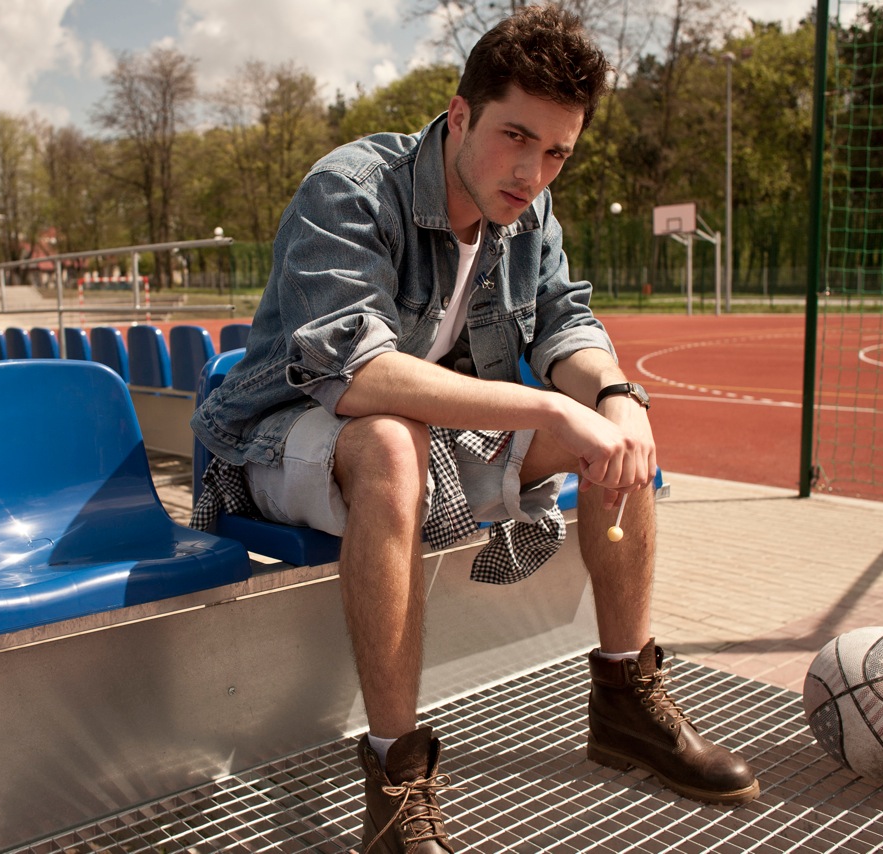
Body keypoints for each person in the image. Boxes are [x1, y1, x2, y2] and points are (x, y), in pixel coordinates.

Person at [191, 5, 758, 850]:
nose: (532, 172)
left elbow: (565, 323)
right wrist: (549, 404)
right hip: (277, 438)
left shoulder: (529, 211)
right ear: (460, 115)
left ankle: (623, 697)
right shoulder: (350, 189)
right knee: (394, 440)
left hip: (428, 442)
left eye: (557, 152)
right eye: (515, 137)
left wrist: (612, 396)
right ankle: (395, 778)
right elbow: (359, 376)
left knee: (613, 435)